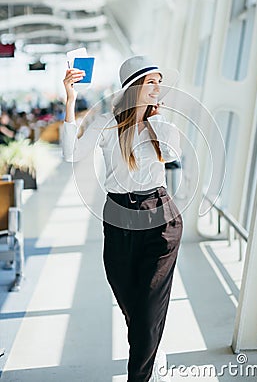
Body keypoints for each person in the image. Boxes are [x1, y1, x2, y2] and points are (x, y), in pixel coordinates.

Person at [62, 55, 183, 382]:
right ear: (134, 87)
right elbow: (70, 153)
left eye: (159, 81)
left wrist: (153, 120)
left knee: (144, 315)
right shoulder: (105, 122)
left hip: (160, 219)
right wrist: (71, 100)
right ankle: (154, 351)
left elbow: (173, 154)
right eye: (150, 82)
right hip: (119, 220)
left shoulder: (162, 124)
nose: (158, 87)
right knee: (133, 307)